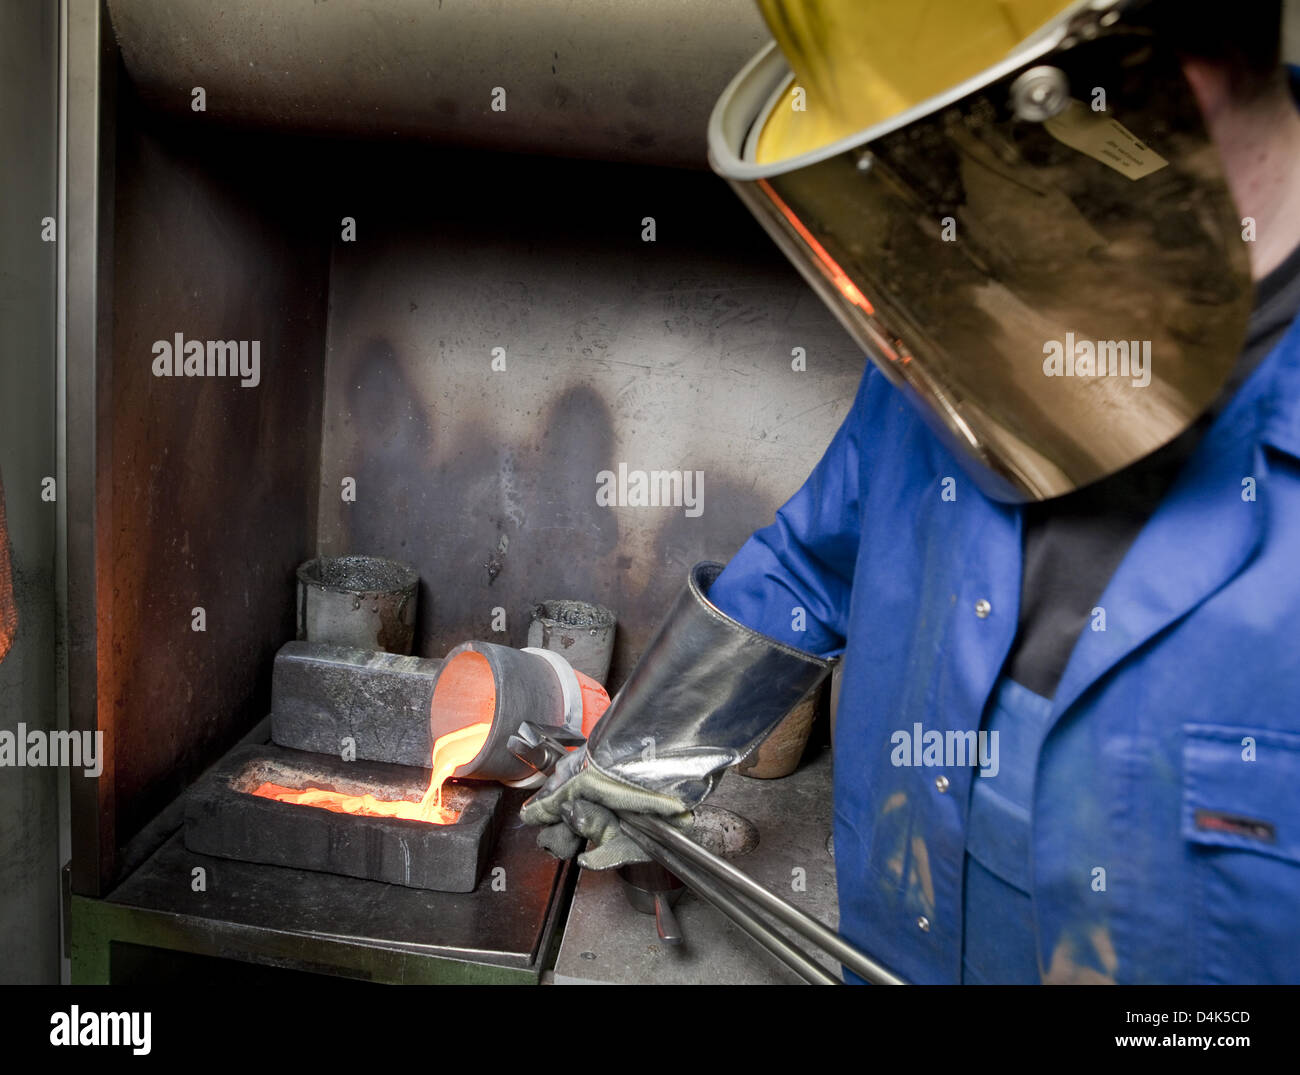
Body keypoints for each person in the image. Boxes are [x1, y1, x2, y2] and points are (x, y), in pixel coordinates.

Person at [523, 0, 1300, 984]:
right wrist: (640, 756)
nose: (958, 218)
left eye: (978, 150)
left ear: (1153, 78)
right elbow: (814, 559)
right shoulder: (986, 297)